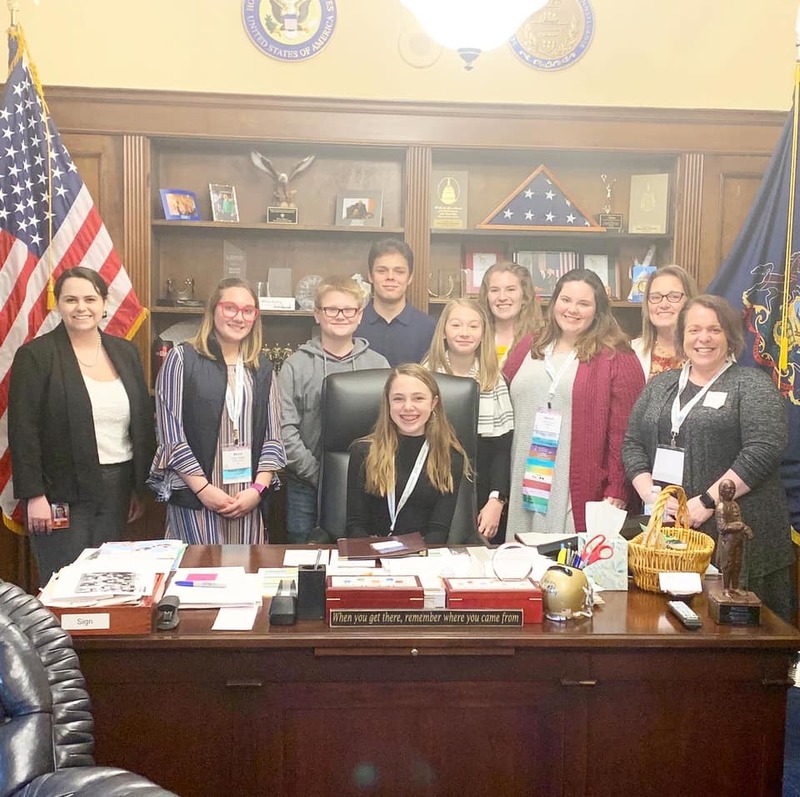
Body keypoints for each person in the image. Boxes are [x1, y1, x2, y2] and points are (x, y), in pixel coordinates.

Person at [622, 294, 793, 621]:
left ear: (730, 336)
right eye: (694, 330)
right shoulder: (662, 385)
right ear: (681, 336)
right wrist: (652, 496)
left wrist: (706, 502)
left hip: (741, 540)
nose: (703, 339)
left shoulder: (751, 384)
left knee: (743, 645)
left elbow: (763, 449)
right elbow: (632, 442)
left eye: (714, 330)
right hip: (676, 535)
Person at [8, 267, 155, 586]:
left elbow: (140, 421)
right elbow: (23, 431)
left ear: (104, 303)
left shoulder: (125, 353)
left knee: (106, 581)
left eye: (90, 298)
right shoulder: (36, 356)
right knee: (66, 582)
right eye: (71, 299)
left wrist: (136, 487)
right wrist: (34, 495)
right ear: (58, 304)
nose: (81, 307)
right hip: (60, 492)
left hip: (117, 487)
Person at [503, 268, 645, 537]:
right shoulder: (530, 344)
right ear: (554, 301)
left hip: (576, 486)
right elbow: (499, 397)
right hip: (525, 476)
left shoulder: (617, 356)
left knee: (565, 567)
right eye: (566, 300)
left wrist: (617, 488)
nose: (572, 310)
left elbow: (626, 433)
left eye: (584, 303)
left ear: (598, 310)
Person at [149, 277, 286, 544]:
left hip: (247, 499)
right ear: (213, 311)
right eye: (230, 308)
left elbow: (273, 437)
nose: (239, 317)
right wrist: (204, 490)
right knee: (201, 578)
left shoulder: (261, 366)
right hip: (197, 497)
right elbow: (172, 438)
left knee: (247, 576)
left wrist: (257, 490)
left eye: (248, 310)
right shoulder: (182, 359)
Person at [279, 276, 389, 543]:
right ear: (317, 314)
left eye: (349, 309)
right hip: (306, 485)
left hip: (369, 485)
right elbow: (284, 429)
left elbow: (389, 425)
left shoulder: (380, 365)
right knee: (304, 561)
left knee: (364, 560)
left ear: (360, 315)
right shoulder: (295, 366)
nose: (340, 316)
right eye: (331, 309)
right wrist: (319, 476)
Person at [345, 364, 471, 543]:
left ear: (433, 403)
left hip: (421, 557)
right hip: (372, 557)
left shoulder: (449, 456)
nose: (408, 407)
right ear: (388, 403)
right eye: (398, 399)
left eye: (418, 398)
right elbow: (355, 526)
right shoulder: (364, 451)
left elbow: (438, 531)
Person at [423, 299, 513, 542]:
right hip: (429, 486)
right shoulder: (424, 376)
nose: (464, 333)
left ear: (484, 334)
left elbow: (501, 450)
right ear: (443, 331)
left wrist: (496, 500)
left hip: (480, 493)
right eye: (456, 325)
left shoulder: (493, 379)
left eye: (473, 326)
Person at [354, 238, 436, 366]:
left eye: (399, 272)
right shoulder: (352, 324)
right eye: (382, 271)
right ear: (370, 275)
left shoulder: (429, 328)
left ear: (410, 277)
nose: (390, 277)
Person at [631, 264, 698, 379]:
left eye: (674, 296)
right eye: (656, 297)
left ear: (690, 302)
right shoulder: (629, 352)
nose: (664, 305)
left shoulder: (710, 348)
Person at [478, 261, 542, 366]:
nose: (502, 297)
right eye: (494, 290)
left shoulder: (540, 341)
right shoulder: (475, 338)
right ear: (486, 296)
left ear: (524, 295)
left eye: (511, 289)